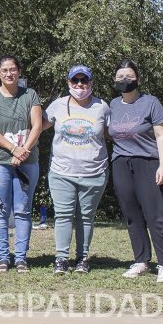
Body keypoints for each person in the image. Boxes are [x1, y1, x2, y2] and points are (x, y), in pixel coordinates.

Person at [108, 60, 163, 282]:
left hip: (149, 163)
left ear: (138, 78)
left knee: (156, 215)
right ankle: (141, 261)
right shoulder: (113, 105)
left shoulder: (151, 103)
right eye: (120, 77)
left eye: (128, 76)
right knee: (132, 215)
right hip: (121, 163)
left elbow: (161, 135)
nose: (124, 81)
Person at [41, 65, 109, 275]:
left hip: (94, 172)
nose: (80, 85)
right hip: (62, 171)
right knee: (63, 216)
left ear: (91, 83)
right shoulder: (58, 105)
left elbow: (111, 134)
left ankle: (82, 258)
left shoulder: (102, 107)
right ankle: (61, 259)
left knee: (86, 216)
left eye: (84, 81)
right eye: (75, 81)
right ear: (69, 83)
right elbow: (38, 126)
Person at [0, 54, 43, 273]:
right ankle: (3, 257)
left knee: (23, 209)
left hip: (28, 160)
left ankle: (22, 258)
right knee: (0, 210)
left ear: (19, 71)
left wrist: (23, 151)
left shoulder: (30, 95)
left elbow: (37, 125)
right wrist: (13, 149)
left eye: (12, 69)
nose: (9, 74)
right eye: (4, 70)